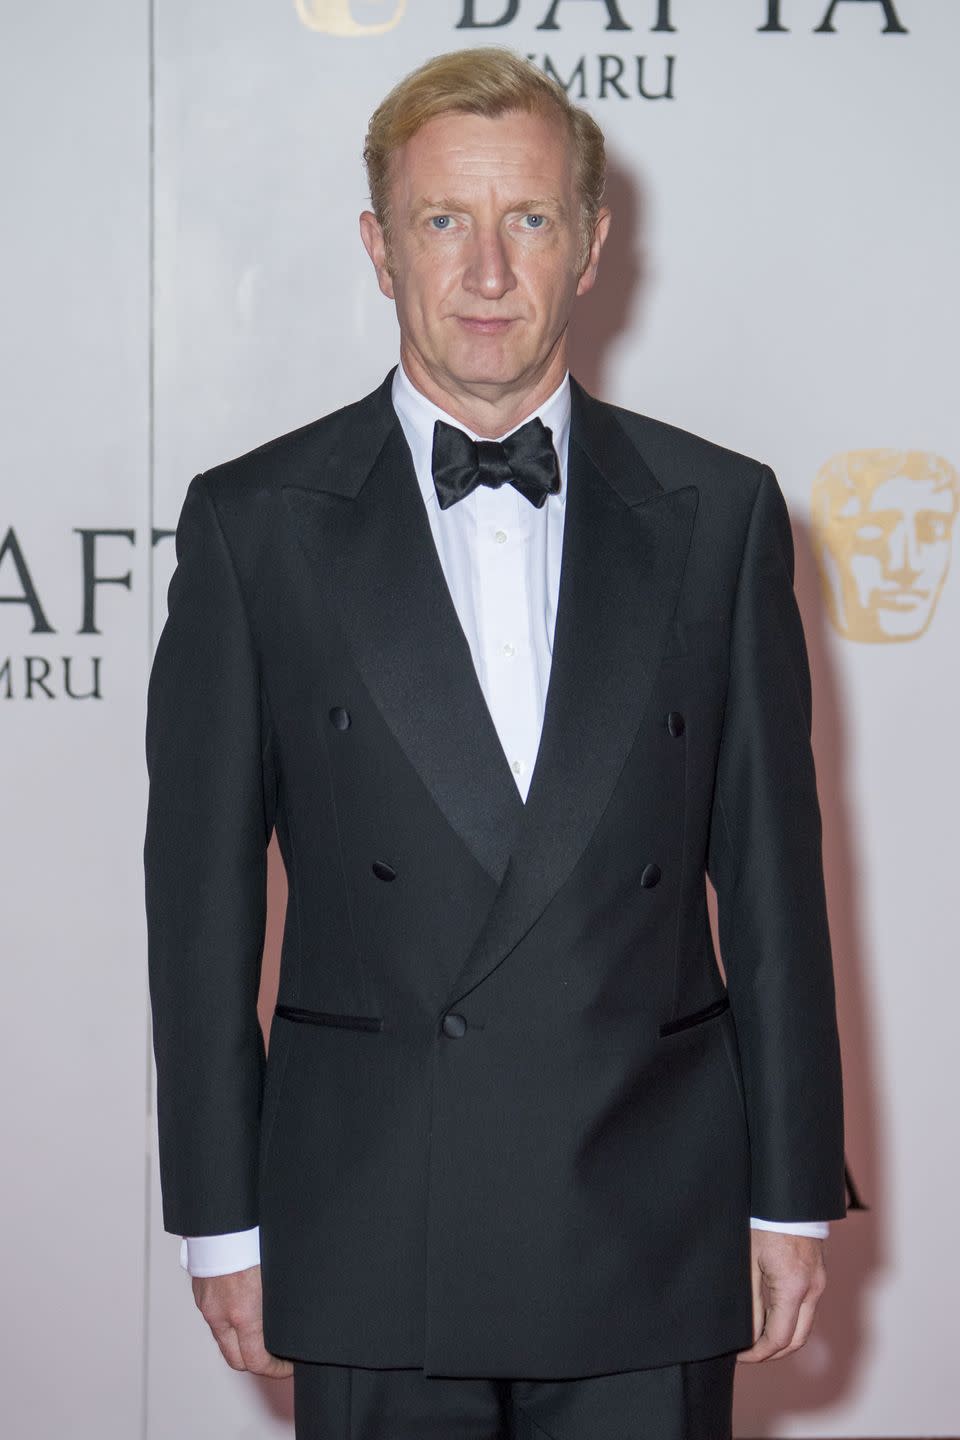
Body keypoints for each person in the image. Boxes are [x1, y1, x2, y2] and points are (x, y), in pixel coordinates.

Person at [144, 46, 846, 1440]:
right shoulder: (253, 525)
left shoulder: (721, 512)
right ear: (378, 248)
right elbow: (202, 910)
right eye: (441, 222)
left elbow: (773, 884)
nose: (483, 272)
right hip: (370, 1215)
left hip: (646, 1209)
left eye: (526, 220)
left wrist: (789, 1189)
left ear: (589, 246)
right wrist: (220, 1220)